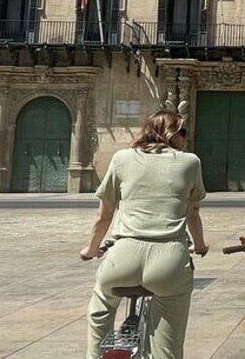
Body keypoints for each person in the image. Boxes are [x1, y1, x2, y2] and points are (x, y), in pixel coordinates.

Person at [81, 110, 208, 359]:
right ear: (170, 134)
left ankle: (95, 355)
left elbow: (104, 216)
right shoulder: (190, 162)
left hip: (123, 256)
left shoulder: (121, 158)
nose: (185, 138)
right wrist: (201, 245)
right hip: (169, 260)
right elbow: (193, 214)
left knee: (101, 309)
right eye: (182, 132)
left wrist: (91, 249)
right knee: (167, 348)